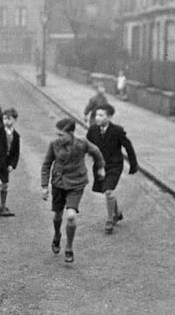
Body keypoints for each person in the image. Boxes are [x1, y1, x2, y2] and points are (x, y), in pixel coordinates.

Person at [41, 118, 105, 263]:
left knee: (70, 216)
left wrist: (100, 167)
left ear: (70, 133)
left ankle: (69, 247)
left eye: (61, 134)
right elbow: (46, 165)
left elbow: (96, 152)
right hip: (59, 183)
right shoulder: (54, 145)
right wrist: (44, 186)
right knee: (57, 215)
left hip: (76, 183)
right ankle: (57, 235)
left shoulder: (82, 143)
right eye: (57, 135)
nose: (58, 138)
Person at [85, 104, 138, 234]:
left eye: (101, 115)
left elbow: (128, 146)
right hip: (100, 166)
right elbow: (88, 147)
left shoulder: (117, 131)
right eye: (96, 115)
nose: (97, 118)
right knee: (107, 192)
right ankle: (117, 213)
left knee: (108, 191)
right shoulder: (92, 130)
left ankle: (110, 220)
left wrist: (133, 164)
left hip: (114, 165)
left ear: (109, 117)